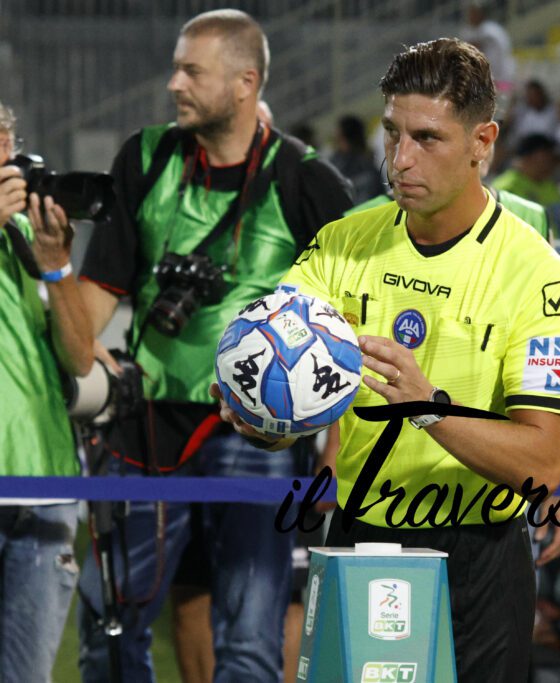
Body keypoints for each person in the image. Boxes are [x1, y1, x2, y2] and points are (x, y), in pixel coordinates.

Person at [213, 38, 560, 682]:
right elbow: (282, 367)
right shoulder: (342, 244)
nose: (401, 159)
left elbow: (543, 465)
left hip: (480, 558)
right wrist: (267, 416)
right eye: (392, 134)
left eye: (427, 138)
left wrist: (428, 409)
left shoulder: (540, 279)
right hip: (361, 542)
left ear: (483, 142)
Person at [75, 10, 353, 681]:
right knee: (107, 627)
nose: (174, 83)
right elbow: (95, 295)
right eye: (176, 67)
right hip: (142, 425)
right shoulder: (144, 159)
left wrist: (335, 452)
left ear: (244, 83)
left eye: (191, 70)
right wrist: (72, 362)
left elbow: (345, 334)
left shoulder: (308, 180)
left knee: (251, 640)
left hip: (257, 438)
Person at [0, 102, 93, 682]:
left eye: (8, 158)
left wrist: (58, 267)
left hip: (45, 484)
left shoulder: (26, 234)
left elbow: (79, 355)